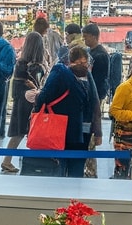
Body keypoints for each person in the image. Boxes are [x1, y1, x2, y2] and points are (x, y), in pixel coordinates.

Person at [31, 45, 99, 177]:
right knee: (73, 169)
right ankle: (72, 195)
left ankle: (65, 194)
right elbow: (94, 103)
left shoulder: (60, 72)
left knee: (63, 167)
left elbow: (44, 97)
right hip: (73, 130)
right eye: (81, 62)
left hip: (67, 129)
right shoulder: (75, 75)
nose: (83, 65)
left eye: (85, 63)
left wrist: (37, 97)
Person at [2, 31, 49, 174]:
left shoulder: (21, 63)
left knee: (18, 133)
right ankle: (29, 161)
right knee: (33, 132)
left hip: (20, 103)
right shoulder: (36, 66)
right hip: (31, 104)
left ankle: (7, 161)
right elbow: (39, 85)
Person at [83, 23, 112, 107]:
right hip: (89, 89)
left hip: (96, 92)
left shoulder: (101, 55)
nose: (84, 39)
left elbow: (100, 78)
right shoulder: (88, 51)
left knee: (94, 116)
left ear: (94, 36)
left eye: (86, 36)